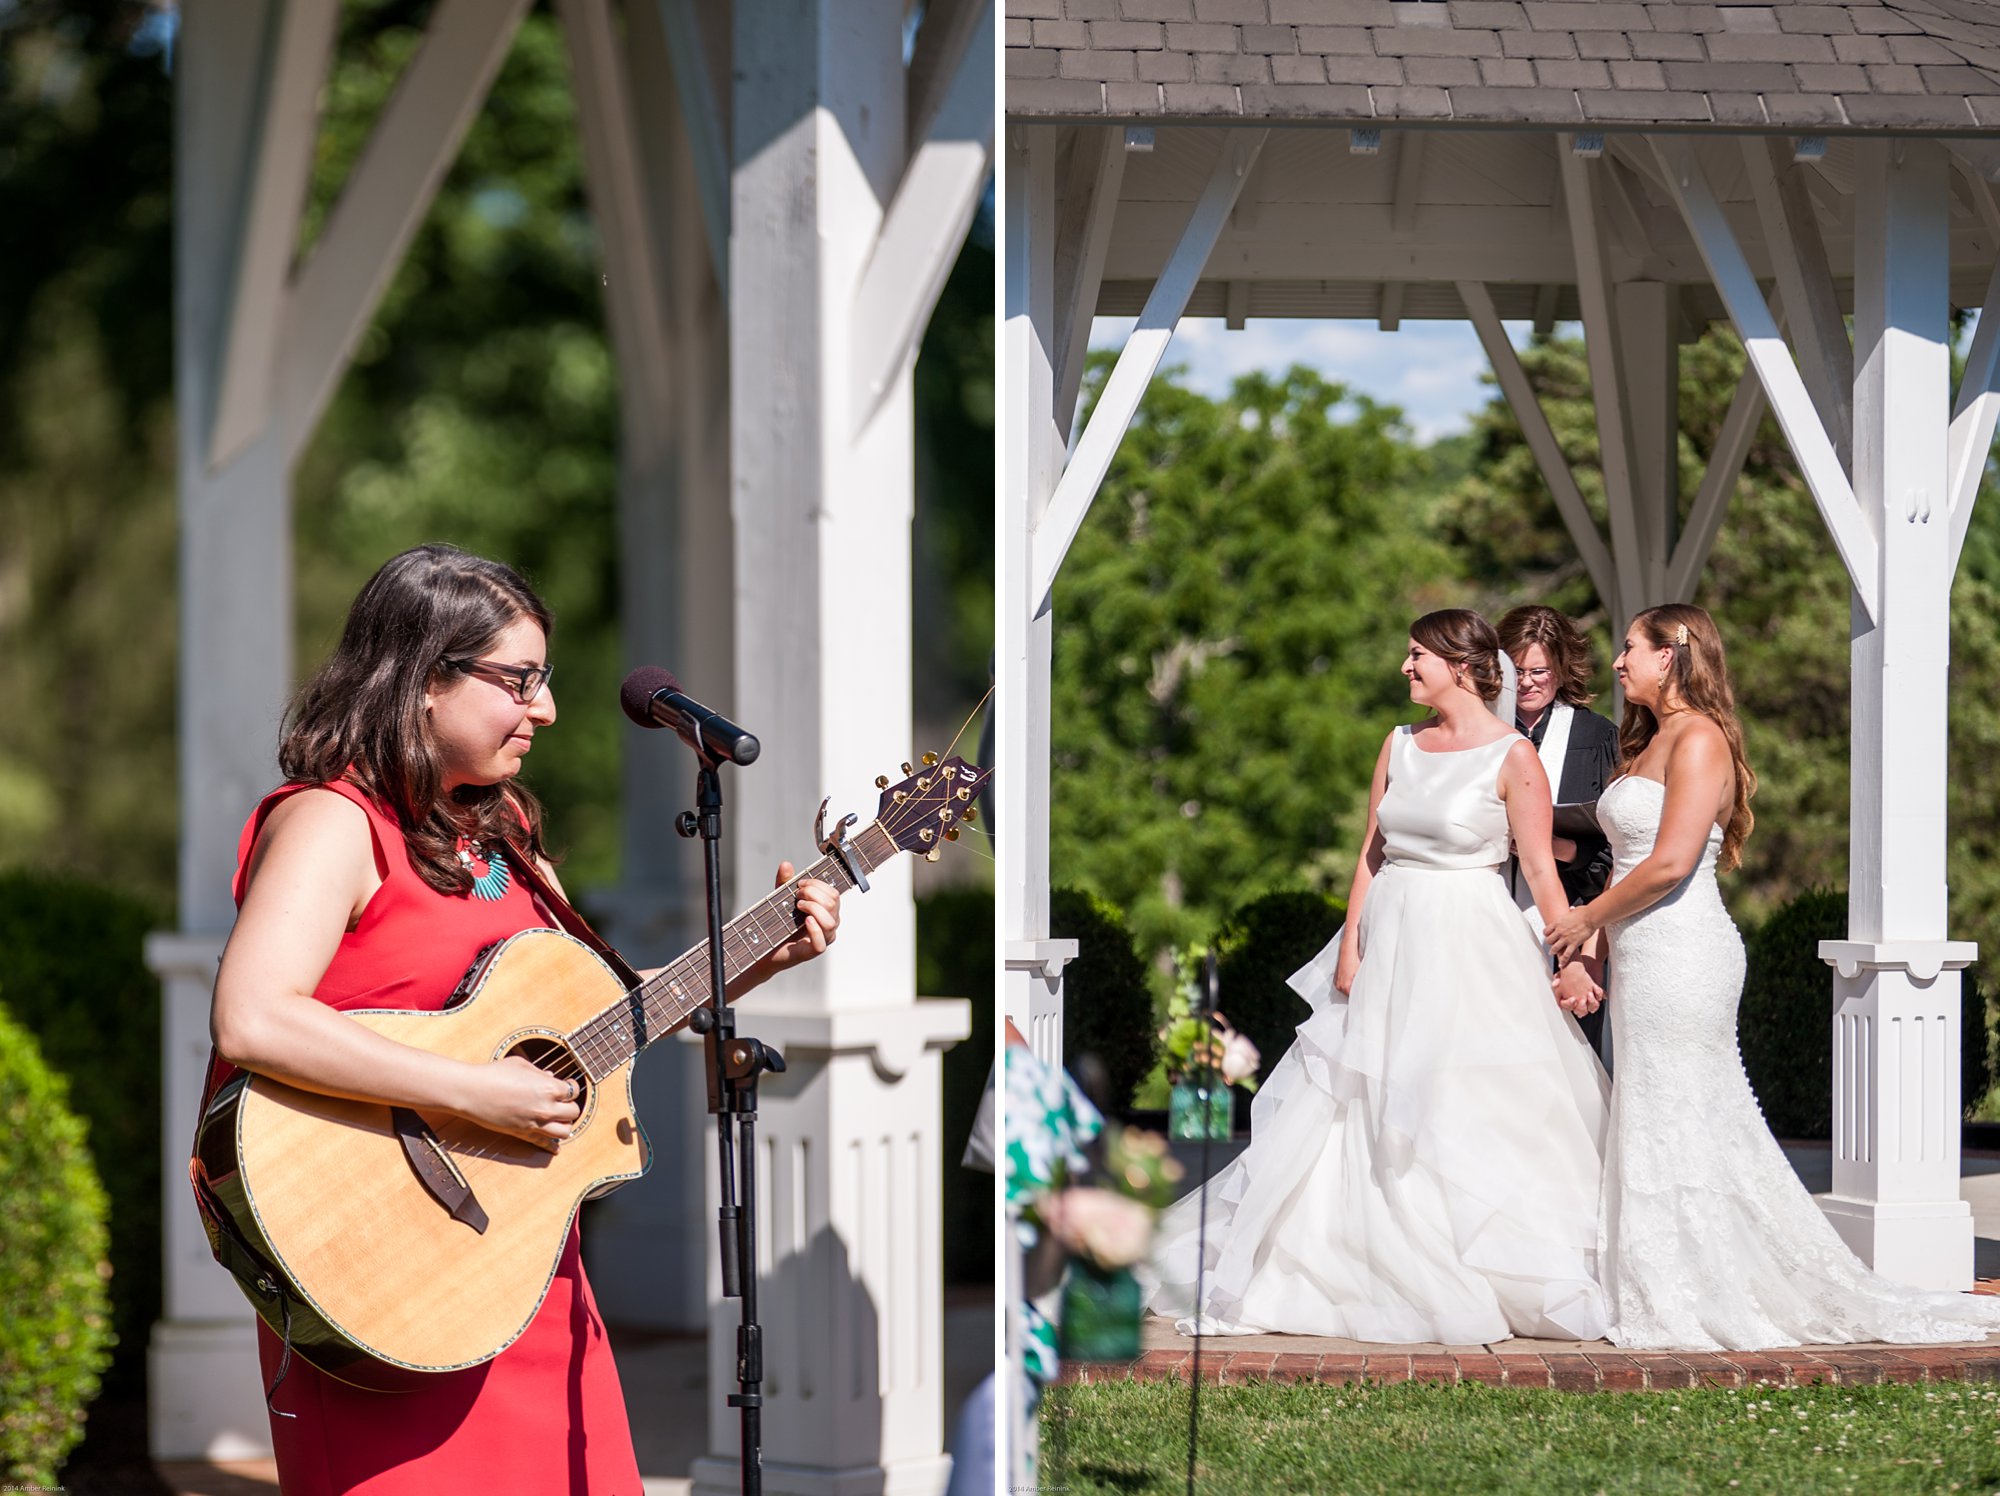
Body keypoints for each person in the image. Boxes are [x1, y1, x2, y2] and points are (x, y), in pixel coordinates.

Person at [201, 544, 841, 1493]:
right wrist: (474, 1090)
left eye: (545, 680)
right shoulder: (332, 822)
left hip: (525, 1269)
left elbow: (582, 1027)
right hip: (379, 1270)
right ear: (423, 678)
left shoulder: (502, 836)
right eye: (519, 680)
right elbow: (252, 1018)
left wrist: (758, 957)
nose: (543, 709)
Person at [1143, 609, 1611, 1344]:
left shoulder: (1513, 759)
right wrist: (1350, 949)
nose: (1405, 667)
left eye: (1417, 655)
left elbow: (1544, 875)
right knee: (1356, 1093)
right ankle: (1350, 1249)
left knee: (1463, 1092)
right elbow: (1371, 853)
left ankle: (1477, 1252)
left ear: (1459, 666)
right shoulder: (1397, 745)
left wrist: (1574, 951)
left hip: (1472, 944)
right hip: (1391, 938)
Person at [1545, 603, 2000, 1351]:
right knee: (1660, 1114)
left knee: (1680, 1113)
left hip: (1683, 953)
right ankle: (1667, 1277)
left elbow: (1668, 863)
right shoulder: (1656, 739)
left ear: (1672, 655)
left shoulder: (1699, 739)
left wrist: (1585, 918)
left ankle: (1689, 1290)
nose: (1619, 662)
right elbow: (1626, 848)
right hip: (1644, 954)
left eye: (1631, 648)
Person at [1497, 605, 1619, 1054]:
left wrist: (1553, 847)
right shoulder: (1475, 734)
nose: (1527, 681)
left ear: (1562, 668)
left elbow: (1617, 851)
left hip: (1566, 923)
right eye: (1517, 669)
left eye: (1540, 670)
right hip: (1481, 919)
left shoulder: (1598, 738)